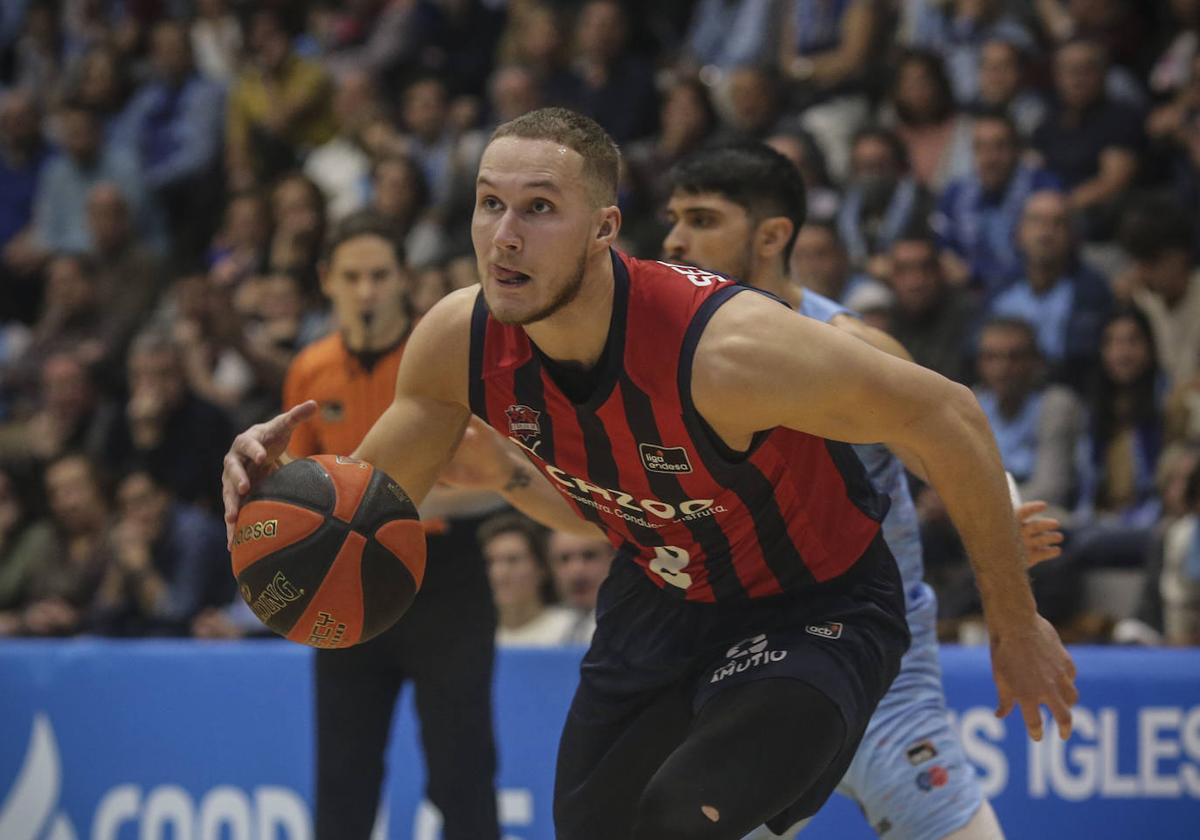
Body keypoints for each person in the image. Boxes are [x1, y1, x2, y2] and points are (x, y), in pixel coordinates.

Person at [222, 109, 1075, 840]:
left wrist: (1014, 622)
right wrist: (271, 502)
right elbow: (359, 510)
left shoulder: (729, 346)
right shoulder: (460, 340)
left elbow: (951, 415)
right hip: (660, 601)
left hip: (817, 602)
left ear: (603, 229)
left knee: (679, 817)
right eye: (490, 205)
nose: (505, 234)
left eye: (539, 209)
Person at [662, 142, 1063, 840]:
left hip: (882, 672)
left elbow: (947, 443)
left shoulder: (849, 344)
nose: (673, 239)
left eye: (700, 218)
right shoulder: (669, 356)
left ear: (772, 235)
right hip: (748, 670)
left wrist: (1000, 509)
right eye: (673, 217)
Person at [279, 211, 500, 840]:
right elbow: (296, 485)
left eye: (380, 275)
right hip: (345, 585)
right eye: (353, 276)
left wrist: (380, 506)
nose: (367, 290)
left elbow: (501, 487)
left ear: (404, 278)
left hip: (444, 580)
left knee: (463, 772)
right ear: (327, 280)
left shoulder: (442, 362)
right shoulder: (309, 370)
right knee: (343, 778)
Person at [480, 510, 577, 646]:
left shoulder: (574, 631)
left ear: (542, 568)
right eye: (490, 561)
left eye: (513, 560)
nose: (499, 573)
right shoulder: (475, 636)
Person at [546, 528, 615, 644]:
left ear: (613, 560)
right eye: (564, 559)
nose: (576, 569)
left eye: (589, 556)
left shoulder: (634, 629)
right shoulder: (543, 632)